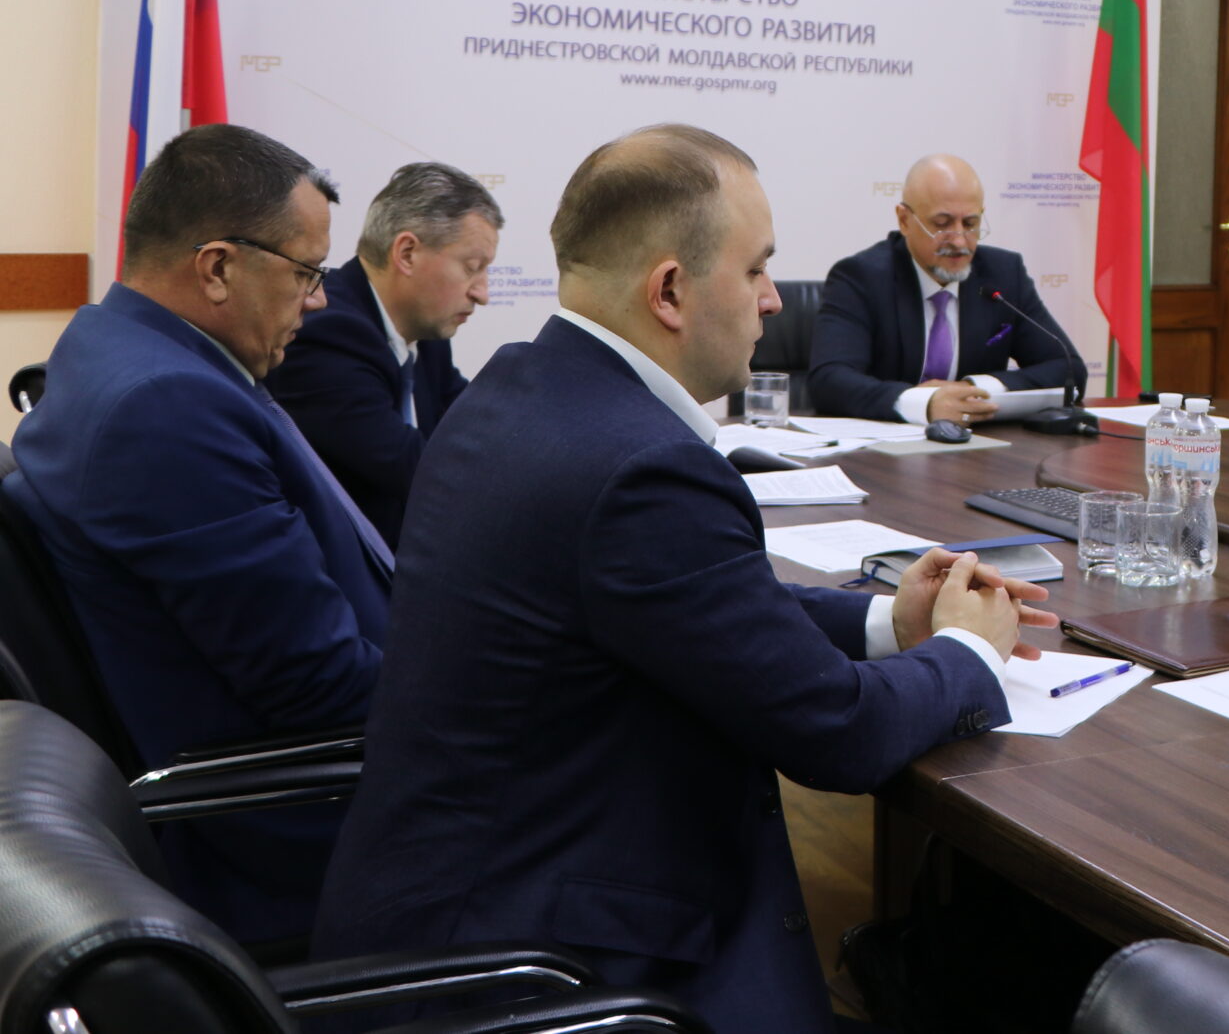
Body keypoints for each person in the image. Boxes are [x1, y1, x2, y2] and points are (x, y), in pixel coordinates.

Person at [311, 125, 1052, 1034]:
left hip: (451, 892)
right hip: (537, 965)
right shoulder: (642, 469)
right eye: (757, 269)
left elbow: (690, 606)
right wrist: (970, 650)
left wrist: (887, 622)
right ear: (668, 290)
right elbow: (838, 731)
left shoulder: (519, 386)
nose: (774, 299)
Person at [3, 124, 390, 943]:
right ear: (217, 267)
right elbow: (320, 686)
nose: (319, 300)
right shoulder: (166, 407)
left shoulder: (114, 346)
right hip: (307, 823)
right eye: (307, 272)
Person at [267, 162, 501, 545]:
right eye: (472, 268)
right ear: (407, 253)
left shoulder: (427, 329)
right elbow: (422, 474)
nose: (483, 293)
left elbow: (477, 421)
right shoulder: (326, 334)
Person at [809, 152, 1082, 423]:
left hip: (978, 442)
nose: (960, 241)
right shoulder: (860, 278)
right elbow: (829, 380)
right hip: (887, 443)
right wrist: (925, 403)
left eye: (971, 224)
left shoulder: (1003, 274)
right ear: (904, 220)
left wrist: (974, 388)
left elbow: (1069, 369)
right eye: (942, 224)